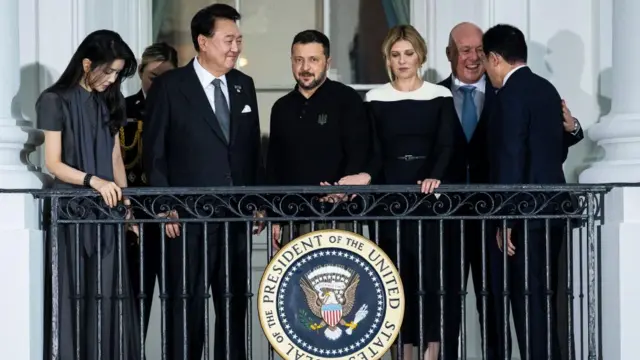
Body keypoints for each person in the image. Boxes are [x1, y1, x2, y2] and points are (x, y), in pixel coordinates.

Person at [142, 4, 262, 360]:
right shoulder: (169, 86)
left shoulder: (244, 85)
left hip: (235, 220)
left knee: (233, 309)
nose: (235, 47)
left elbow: (252, 150)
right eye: (228, 40)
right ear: (203, 41)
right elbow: (155, 153)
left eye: (239, 40)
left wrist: (257, 203)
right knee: (186, 310)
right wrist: (164, 206)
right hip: (185, 222)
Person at [339, 24, 457, 360]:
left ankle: (432, 353)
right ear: (388, 59)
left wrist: (434, 176)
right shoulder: (375, 98)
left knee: (432, 279)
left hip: (430, 200)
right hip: (388, 201)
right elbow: (374, 153)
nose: (403, 60)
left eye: (408, 53)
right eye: (395, 54)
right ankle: (402, 353)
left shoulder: (440, 95)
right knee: (393, 281)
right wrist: (364, 176)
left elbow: (446, 145)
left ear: (420, 55)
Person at [39, 29, 140, 360]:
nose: (112, 80)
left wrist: (127, 208)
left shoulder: (110, 101)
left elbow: (115, 158)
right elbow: (53, 163)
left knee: (109, 298)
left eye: (117, 73)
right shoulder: (54, 100)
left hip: (107, 216)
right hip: (71, 217)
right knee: (75, 295)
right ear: (86, 63)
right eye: (108, 71)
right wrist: (93, 182)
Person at [481, 23, 568, 360]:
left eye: (487, 62)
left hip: (525, 218)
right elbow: (555, 151)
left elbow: (511, 158)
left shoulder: (509, 96)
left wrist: (505, 219)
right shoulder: (546, 89)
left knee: (527, 304)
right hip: (553, 212)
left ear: (495, 58)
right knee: (546, 302)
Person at [265, 29, 370, 248]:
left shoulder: (347, 99)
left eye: (313, 60)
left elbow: (360, 152)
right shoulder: (281, 108)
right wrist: (275, 216)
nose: (305, 68)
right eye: (299, 60)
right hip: (292, 218)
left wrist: (342, 191)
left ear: (327, 62)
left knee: (339, 280)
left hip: (339, 216)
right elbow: (274, 165)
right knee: (293, 282)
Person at [121, 42, 178, 342]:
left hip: (173, 221)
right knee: (136, 305)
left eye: (166, 76)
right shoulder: (124, 108)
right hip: (135, 221)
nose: (158, 83)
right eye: (153, 76)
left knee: (177, 309)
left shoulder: (182, 109)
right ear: (141, 73)